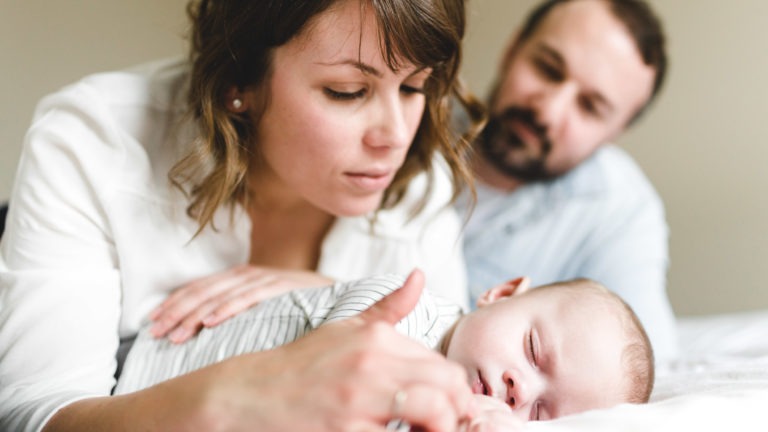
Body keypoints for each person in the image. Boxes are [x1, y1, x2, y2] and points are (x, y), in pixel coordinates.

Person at [0, 0, 485, 430]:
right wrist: (233, 399)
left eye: (415, 87)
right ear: (240, 81)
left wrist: (325, 291)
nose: (395, 136)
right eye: (347, 91)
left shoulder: (424, 182)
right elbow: (32, 414)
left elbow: (457, 364)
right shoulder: (91, 141)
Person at [115, 269, 654, 426]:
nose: (519, 389)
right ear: (501, 293)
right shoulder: (400, 308)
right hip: (137, 377)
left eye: (540, 412)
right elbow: (338, 377)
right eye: (534, 351)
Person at [455, 0, 679, 362]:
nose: (548, 110)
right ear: (513, 49)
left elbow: (645, 366)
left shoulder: (619, 210)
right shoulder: (410, 116)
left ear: (614, 134)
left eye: (589, 107)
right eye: (546, 68)